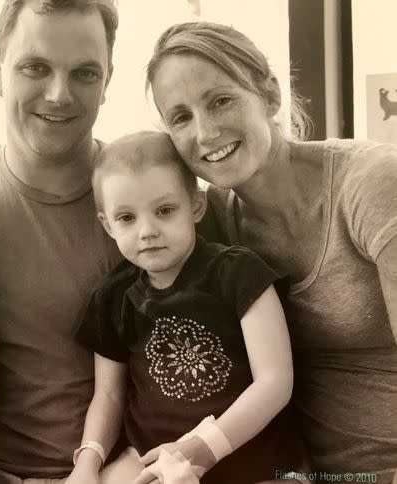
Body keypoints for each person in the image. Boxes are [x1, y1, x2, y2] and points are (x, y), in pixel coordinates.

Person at [146, 21, 397, 483]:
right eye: (180, 117)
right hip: (288, 472)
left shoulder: (372, 185)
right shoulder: (213, 221)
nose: (205, 131)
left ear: (271, 96)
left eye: (220, 100)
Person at [0, 0, 122, 482]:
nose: (59, 94)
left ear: (108, 82)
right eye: (35, 67)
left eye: (85, 73)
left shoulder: (155, 202)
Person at [70, 131, 305, 484]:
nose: (147, 231)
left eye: (165, 211)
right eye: (127, 218)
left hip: (254, 459)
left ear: (196, 206)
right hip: (153, 460)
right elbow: (108, 395)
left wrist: (200, 448)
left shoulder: (239, 273)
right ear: (107, 224)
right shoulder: (113, 297)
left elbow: (274, 382)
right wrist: (87, 463)